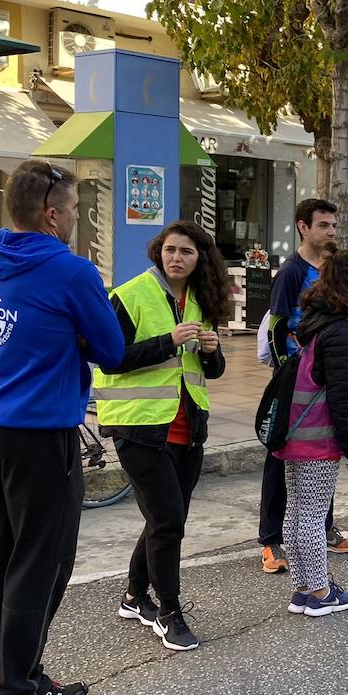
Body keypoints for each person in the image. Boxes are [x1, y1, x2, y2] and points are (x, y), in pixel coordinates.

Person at [0, 162, 126, 695]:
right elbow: (112, 351)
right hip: (37, 430)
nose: (77, 218)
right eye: (75, 209)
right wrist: (74, 335)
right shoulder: (71, 271)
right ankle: (16, 689)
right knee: (41, 560)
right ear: (53, 215)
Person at [95, 221, 229, 652]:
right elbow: (109, 359)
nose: (176, 258)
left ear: (200, 258)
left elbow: (211, 371)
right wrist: (167, 341)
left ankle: (134, 597)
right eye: (170, 250)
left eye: (186, 252)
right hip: (138, 426)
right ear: (159, 251)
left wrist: (212, 353)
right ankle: (169, 612)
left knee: (166, 518)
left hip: (187, 427)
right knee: (168, 520)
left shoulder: (201, 300)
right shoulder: (130, 294)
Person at [258, 199, 348, 574]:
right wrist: (285, 375)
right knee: (279, 455)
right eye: (323, 225)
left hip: (324, 380)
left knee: (324, 453)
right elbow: (276, 326)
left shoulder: (333, 267)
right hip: (293, 382)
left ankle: (323, 527)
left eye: (333, 225)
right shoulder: (290, 272)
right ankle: (270, 541)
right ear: (303, 227)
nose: (331, 231)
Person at [276, 249, 348, 617]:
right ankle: (321, 592)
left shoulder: (318, 319)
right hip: (319, 437)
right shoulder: (342, 329)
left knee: (296, 512)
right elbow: (341, 394)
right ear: (346, 282)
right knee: (313, 515)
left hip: (297, 433)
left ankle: (302, 589)